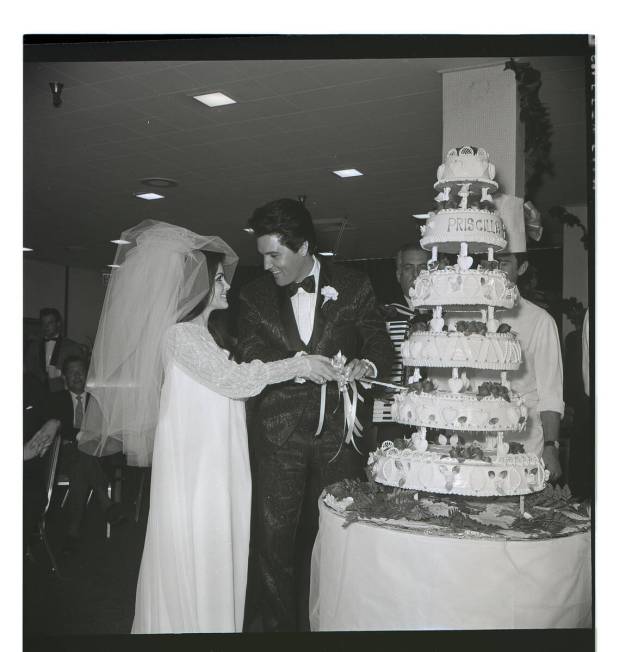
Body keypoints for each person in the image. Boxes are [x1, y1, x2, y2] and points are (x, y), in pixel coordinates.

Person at [77, 220, 337, 634]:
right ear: (195, 287)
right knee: (201, 551)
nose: (226, 288)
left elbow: (233, 379)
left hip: (217, 464)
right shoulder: (180, 336)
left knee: (217, 550)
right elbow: (236, 381)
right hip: (199, 470)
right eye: (217, 280)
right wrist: (300, 363)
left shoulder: (204, 338)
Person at [237, 198, 393, 632]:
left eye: (275, 254)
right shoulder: (252, 296)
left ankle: (342, 623)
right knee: (273, 543)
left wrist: (369, 366)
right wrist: (298, 364)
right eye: (263, 255)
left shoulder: (355, 283)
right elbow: (250, 352)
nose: (267, 265)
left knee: (341, 532)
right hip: (277, 433)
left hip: (339, 435)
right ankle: (277, 630)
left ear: (303, 246)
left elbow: (379, 343)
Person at [492, 196, 564, 482]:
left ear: (521, 269)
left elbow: (551, 392)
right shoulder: (465, 317)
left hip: (522, 442)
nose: (495, 270)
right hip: (473, 444)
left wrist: (551, 446)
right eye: (490, 262)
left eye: (505, 263)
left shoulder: (540, 321)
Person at [46, 356, 125, 554]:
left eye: (80, 371)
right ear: (65, 377)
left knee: (82, 464)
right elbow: (56, 427)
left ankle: (73, 531)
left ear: (86, 375)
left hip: (93, 456)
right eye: (72, 372)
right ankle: (106, 504)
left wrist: (88, 440)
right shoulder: (56, 400)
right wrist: (82, 435)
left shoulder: (97, 401)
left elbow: (107, 430)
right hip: (64, 456)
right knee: (81, 455)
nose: (77, 375)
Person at [375, 243, 431, 442]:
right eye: (408, 268)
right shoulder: (382, 315)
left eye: (423, 267)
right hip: (393, 416)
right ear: (398, 274)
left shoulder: (449, 315)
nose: (416, 274)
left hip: (439, 415)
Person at [24, 308, 83, 392]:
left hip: (62, 392)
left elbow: (79, 373)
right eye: (43, 323)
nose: (46, 327)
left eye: (50, 323)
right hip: (37, 392)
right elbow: (28, 370)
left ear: (58, 324)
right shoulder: (33, 347)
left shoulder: (72, 347)